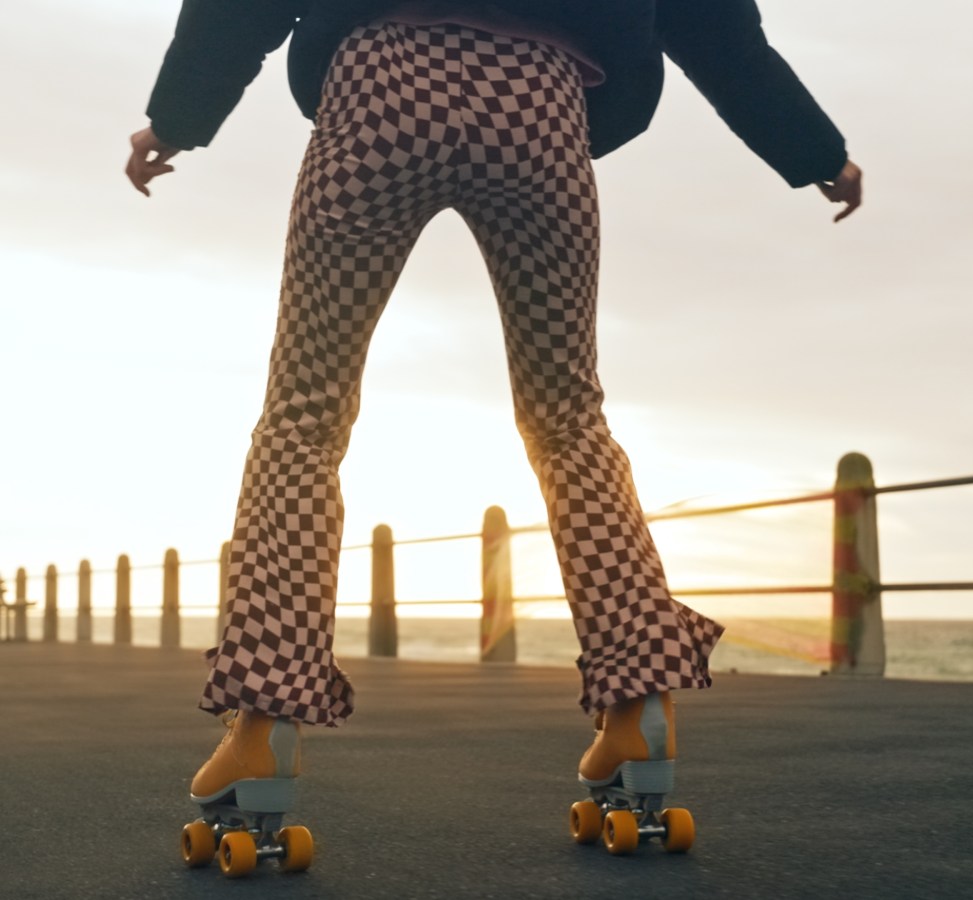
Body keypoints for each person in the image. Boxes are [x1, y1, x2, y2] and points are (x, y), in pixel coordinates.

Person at [128, 0, 862, 855]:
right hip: (543, 100)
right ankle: (636, 709)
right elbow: (716, 30)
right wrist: (814, 150)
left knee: (304, 415)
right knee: (569, 417)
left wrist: (177, 118)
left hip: (381, 86)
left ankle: (262, 724)